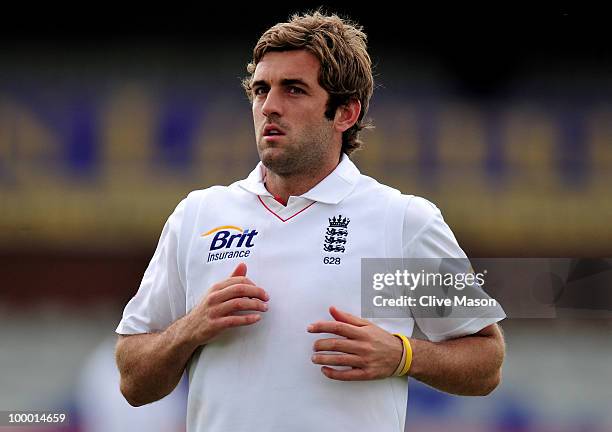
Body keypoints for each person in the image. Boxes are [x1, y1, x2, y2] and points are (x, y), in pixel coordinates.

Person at [115, 11, 506, 432]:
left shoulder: (399, 222)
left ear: (345, 113)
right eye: (260, 90)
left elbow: (486, 361)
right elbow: (133, 382)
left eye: (294, 90)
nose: (269, 107)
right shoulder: (200, 216)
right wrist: (188, 329)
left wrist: (402, 355)